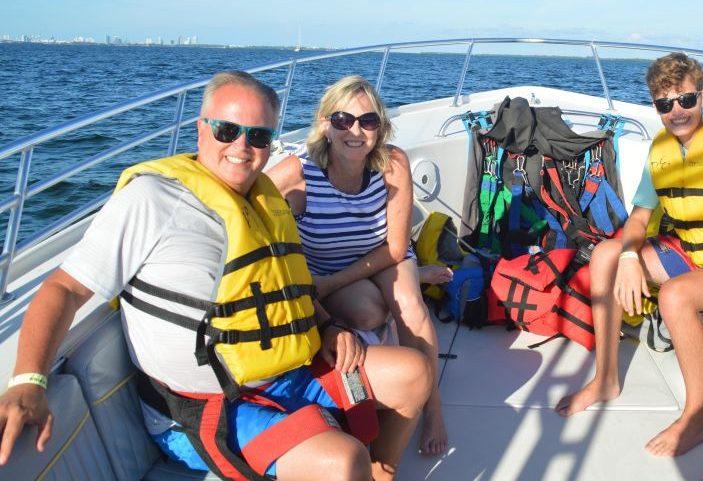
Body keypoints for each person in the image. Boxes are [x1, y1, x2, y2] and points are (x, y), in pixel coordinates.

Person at [0, 71, 431, 481]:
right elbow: (64, 288)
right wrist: (28, 379)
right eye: (228, 130)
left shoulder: (264, 200)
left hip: (291, 370)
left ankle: (381, 473)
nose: (242, 147)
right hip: (206, 409)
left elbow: (283, 287)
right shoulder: (153, 200)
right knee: (341, 460)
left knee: (414, 374)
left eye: (259, 136)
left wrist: (329, 326)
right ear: (201, 129)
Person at [555, 52, 703, 457]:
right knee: (605, 254)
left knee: (676, 294)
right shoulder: (661, 151)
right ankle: (605, 377)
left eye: (686, 100)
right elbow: (639, 219)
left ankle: (697, 416)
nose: (677, 111)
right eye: (664, 103)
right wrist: (627, 260)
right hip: (691, 251)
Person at [266, 75, 448, 457]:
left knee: (410, 307)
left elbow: (396, 247)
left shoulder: (391, 163)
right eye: (343, 120)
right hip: (329, 268)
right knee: (369, 313)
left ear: (380, 129)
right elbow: (244, 200)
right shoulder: (298, 173)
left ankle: (433, 408)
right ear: (324, 125)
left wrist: (331, 285)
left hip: (381, 257)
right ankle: (421, 279)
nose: (355, 131)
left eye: (368, 122)